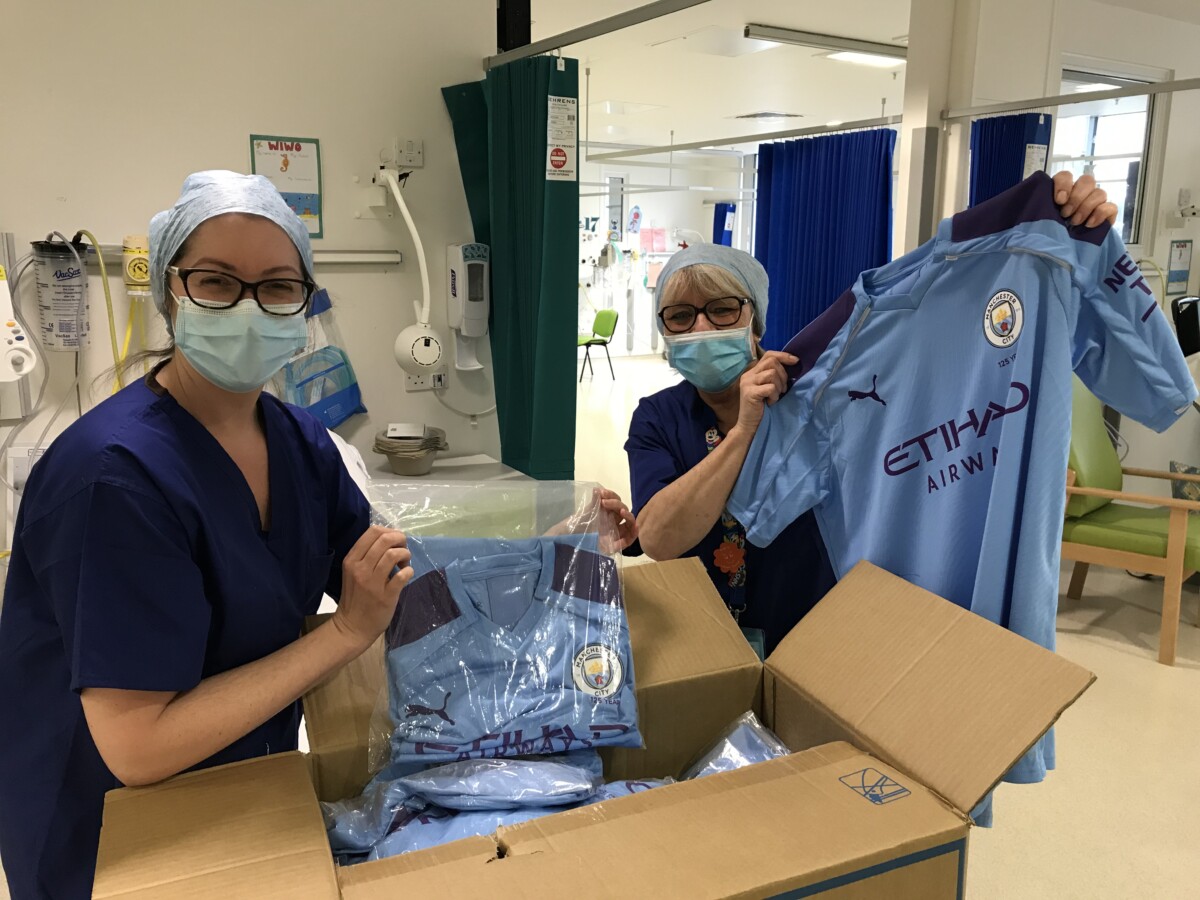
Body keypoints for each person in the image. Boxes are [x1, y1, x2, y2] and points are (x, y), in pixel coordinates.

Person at [0, 170, 636, 899]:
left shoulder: (299, 442)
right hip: (107, 828)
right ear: (171, 291)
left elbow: (397, 586)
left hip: (243, 788)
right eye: (216, 282)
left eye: (277, 286)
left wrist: (560, 551)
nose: (248, 307)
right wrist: (343, 635)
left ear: (304, 301)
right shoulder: (113, 480)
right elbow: (137, 747)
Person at [625, 172, 1117, 656]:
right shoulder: (657, 418)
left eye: (722, 309)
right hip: (704, 642)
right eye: (681, 316)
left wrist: (1067, 221)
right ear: (665, 333)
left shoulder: (814, 393)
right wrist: (744, 433)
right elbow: (659, 539)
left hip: (817, 636)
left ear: (755, 320)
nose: (702, 327)